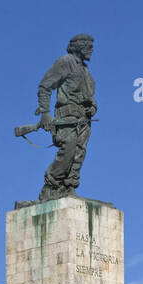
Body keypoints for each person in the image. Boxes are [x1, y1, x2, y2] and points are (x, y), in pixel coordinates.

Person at [35, 34, 97, 200]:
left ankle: (68, 188)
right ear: (79, 46)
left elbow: (89, 96)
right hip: (66, 118)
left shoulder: (85, 70)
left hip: (83, 120)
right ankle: (51, 186)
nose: (92, 50)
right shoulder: (65, 62)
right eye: (88, 46)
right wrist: (45, 114)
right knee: (68, 150)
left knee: (79, 154)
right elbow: (45, 87)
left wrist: (92, 106)